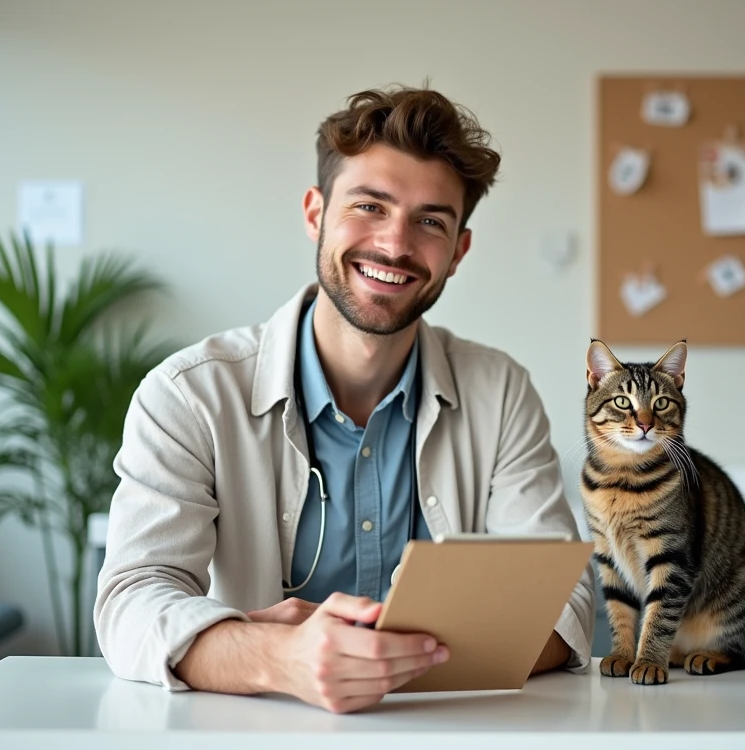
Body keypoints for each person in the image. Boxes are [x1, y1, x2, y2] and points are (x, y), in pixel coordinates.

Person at [94, 85, 595, 714]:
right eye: (369, 206)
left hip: (450, 744)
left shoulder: (501, 392)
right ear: (315, 213)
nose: (394, 244)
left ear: (458, 252)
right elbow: (133, 600)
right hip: (243, 744)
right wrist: (279, 659)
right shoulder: (189, 394)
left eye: (431, 221)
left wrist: (368, 664)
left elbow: (559, 603)